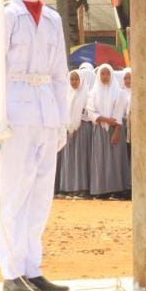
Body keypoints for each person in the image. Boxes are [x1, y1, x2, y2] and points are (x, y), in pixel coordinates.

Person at [0, 0, 69, 291]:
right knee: (14, 191)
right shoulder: (7, 17)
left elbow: (59, 73)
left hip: (44, 112)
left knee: (40, 194)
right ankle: (12, 270)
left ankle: (32, 267)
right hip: (16, 108)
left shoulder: (52, 18)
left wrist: (61, 121)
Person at [87, 64, 129, 199]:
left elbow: (119, 113)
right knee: (101, 159)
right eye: (102, 74)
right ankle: (101, 190)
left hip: (115, 130)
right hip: (100, 129)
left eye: (107, 74)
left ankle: (117, 190)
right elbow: (91, 111)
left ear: (112, 75)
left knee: (115, 160)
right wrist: (105, 119)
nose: (105, 76)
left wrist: (116, 131)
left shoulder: (119, 92)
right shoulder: (93, 93)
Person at [58, 65, 94, 197]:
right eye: (72, 79)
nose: (74, 82)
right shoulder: (67, 95)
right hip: (69, 131)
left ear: (82, 80)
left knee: (81, 159)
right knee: (70, 159)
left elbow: (88, 113)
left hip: (83, 129)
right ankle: (71, 187)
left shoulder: (87, 95)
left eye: (76, 79)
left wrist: (78, 122)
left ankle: (83, 188)